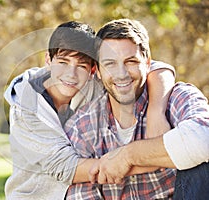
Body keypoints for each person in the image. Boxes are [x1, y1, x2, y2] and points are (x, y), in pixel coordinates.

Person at [4, 21, 175, 199]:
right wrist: (153, 160)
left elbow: (155, 68)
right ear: (48, 60)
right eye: (63, 62)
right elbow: (67, 169)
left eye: (81, 65)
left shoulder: (93, 81)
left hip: (84, 193)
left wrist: (156, 111)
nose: (71, 74)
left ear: (93, 68)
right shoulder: (26, 107)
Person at [64, 18, 209, 199]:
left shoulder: (176, 98)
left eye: (131, 61)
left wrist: (128, 155)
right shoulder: (82, 127)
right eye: (110, 64)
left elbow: (204, 138)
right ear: (98, 71)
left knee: (202, 165)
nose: (121, 74)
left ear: (148, 63)